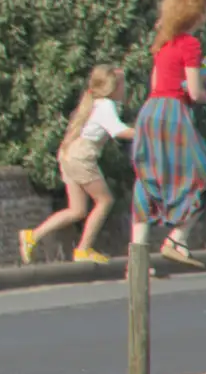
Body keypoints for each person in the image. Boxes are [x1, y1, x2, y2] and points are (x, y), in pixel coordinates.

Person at [131, 0, 206, 270]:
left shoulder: (163, 42)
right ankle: (177, 239)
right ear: (199, 14)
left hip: (150, 111)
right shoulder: (190, 44)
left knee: (148, 181)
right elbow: (195, 93)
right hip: (173, 113)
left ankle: (137, 261)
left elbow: (157, 82)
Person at [19, 65, 136, 265]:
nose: (126, 87)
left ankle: (33, 236)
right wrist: (148, 133)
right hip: (82, 156)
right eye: (123, 83)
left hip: (69, 154)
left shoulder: (97, 103)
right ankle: (83, 249)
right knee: (105, 201)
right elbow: (118, 131)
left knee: (77, 210)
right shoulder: (106, 105)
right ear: (113, 87)